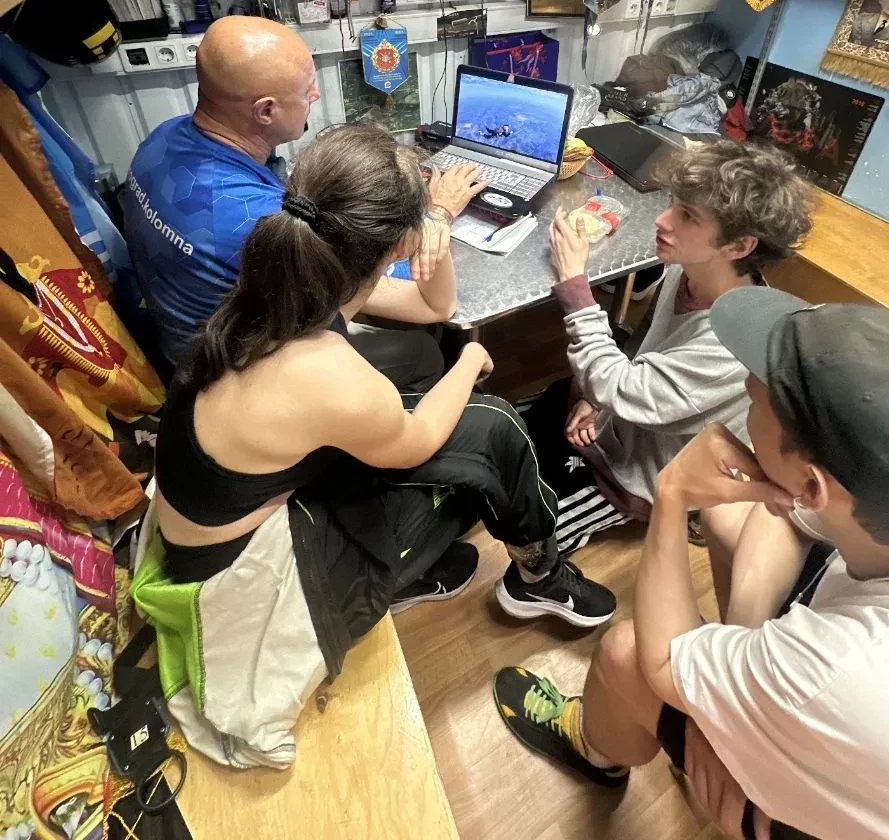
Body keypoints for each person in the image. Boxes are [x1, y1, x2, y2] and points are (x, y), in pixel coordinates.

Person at [131, 123, 616, 769]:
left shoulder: (289, 274)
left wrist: (436, 223)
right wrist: (470, 362)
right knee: (491, 433)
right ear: (394, 244)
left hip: (218, 517)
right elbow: (417, 443)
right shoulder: (328, 373)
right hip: (247, 574)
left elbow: (433, 307)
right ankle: (535, 577)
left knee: (423, 354)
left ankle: (422, 567)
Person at [494, 291, 889, 840]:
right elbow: (790, 519)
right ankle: (737, 695)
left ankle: (595, 752)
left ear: (812, 484)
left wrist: (672, 494)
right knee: (729, 516)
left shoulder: (842, 668)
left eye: (754, 401)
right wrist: (744, 656)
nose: (743, 399)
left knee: (625, 655)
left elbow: (661, 663)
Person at [124, 15, 484, 383]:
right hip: (228, 377)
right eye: (307, 89)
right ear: (266, 110)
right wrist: (434, 214)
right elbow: (426, 301)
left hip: (177, 342)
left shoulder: (163, 137)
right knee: (423, 349)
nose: (315, 96)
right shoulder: (260, 224)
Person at [522, 139, 813, 568]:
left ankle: (537, 581)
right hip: (620, 417)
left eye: (687, 216)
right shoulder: (686, 269)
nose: (662, 220)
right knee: (506, 435)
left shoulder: (731, 345)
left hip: (637, 475)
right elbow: (640, 349)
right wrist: (595, 398)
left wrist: (574, 286)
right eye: (673, 204)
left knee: (530, 534)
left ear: (738, 247)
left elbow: (625, 388)